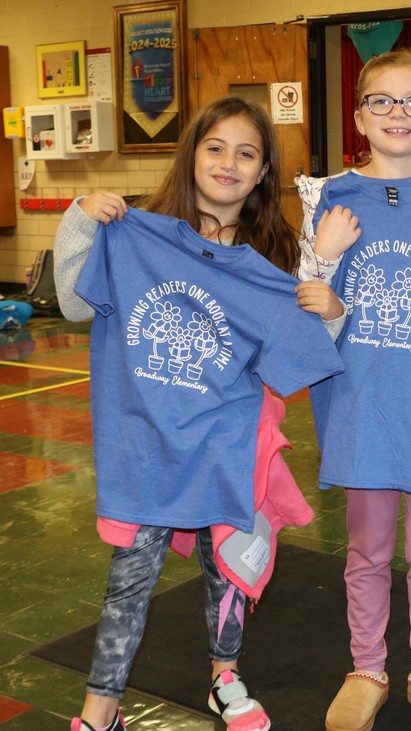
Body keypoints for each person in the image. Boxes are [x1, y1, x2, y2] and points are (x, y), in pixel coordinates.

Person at [54, 97, 347, 731]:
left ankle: (225, 677)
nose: (228, 163)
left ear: (264, 171)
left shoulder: (270, 260)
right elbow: (76, 306)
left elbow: (306, 354)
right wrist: (80, 218)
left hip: (226, 444)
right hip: (144, 445)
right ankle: (100, 709)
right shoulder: (137, 233)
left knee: (228, 567)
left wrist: (332, 311)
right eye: (215, 148)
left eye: (247, 153)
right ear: (191, 156)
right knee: (129, 578)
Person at [296, 48, 411, 731]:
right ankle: (367, 666)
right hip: (363, 404)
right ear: (359, 115)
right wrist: (323, 251)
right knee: (368, 549)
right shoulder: (330, 196)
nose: (397, 113)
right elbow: (309, 304)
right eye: (382, 100)